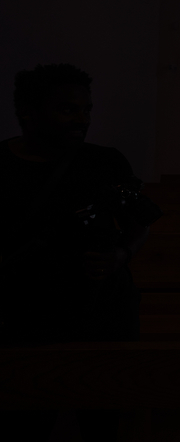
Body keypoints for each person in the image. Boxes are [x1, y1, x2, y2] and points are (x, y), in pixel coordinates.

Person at [0, 63, 162, 440]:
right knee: (25, 419)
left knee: (100, 421)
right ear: (28, 112)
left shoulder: (104, 163)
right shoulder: (2, 166)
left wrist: (120, 255)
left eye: (86, 109)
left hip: (100, 313)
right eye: (67, 109)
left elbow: (140, 221)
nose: (82, 119)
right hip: (26, 316)